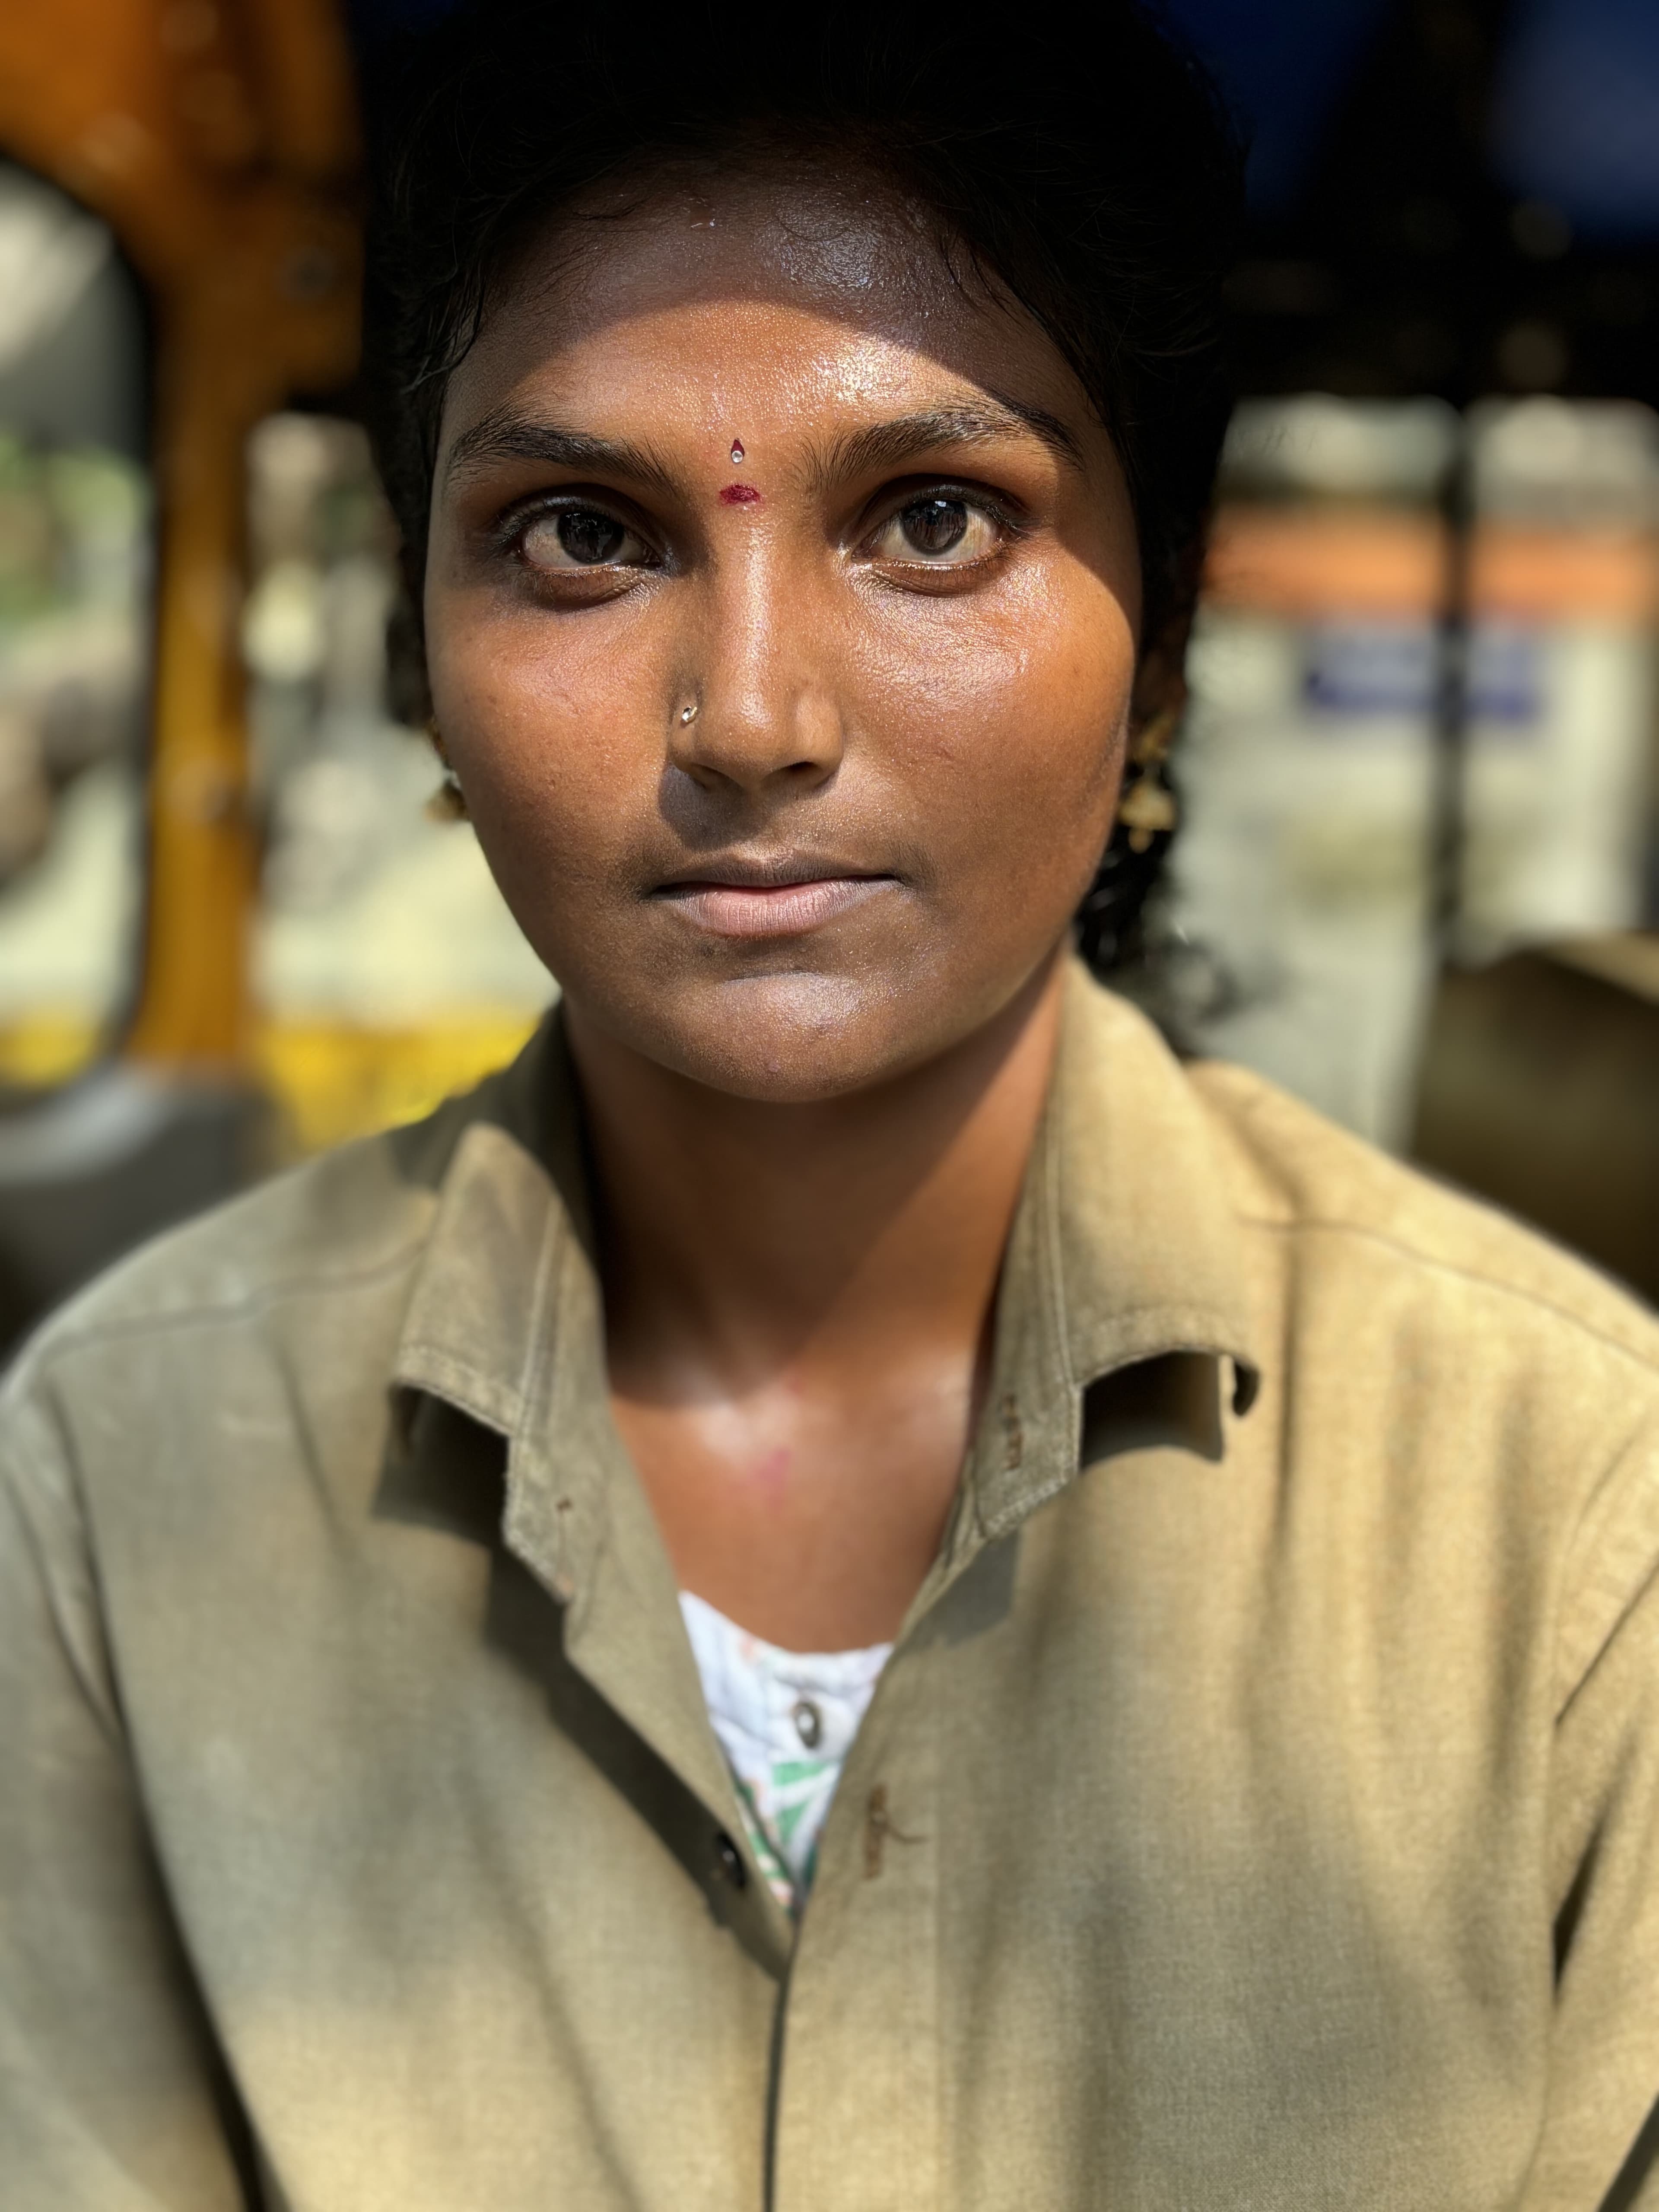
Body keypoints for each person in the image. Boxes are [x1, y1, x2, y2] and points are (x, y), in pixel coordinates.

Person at [4, 3, 1659, 2205]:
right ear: (421, 659)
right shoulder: (120, 1477)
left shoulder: (1570, 1517)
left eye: (939, 518)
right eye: (585, 536)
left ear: (1160, 638)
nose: (756, 714)